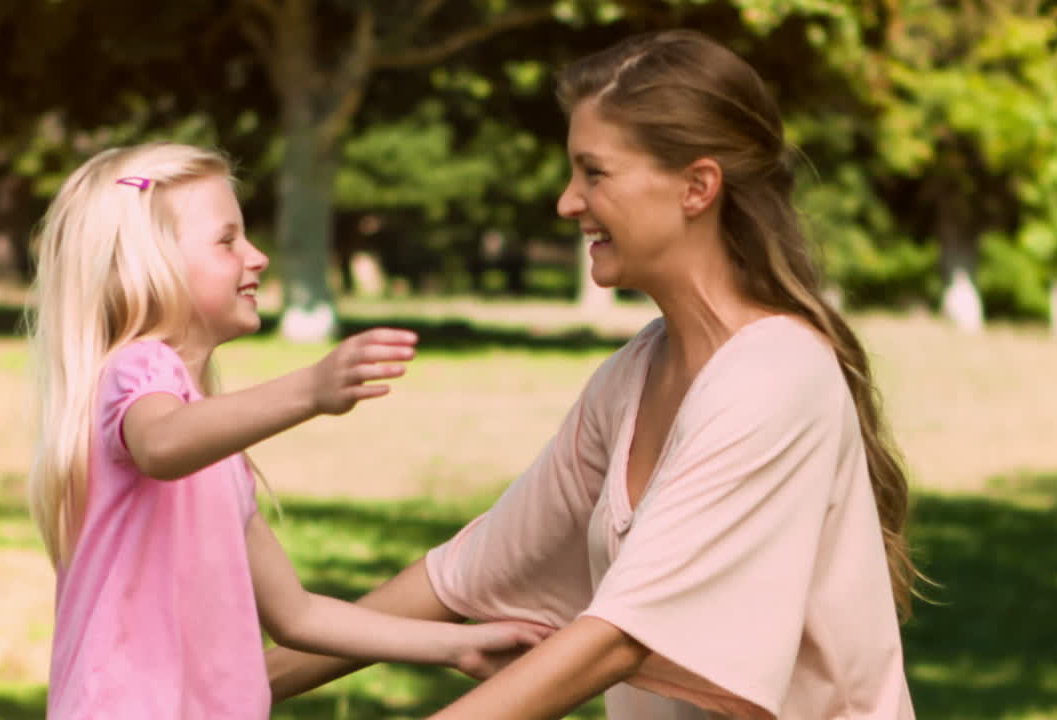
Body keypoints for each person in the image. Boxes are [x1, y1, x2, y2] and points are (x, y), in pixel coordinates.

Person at [266, 29, 918, 719]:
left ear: (697, 186)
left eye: (594, 172)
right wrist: (228, 687)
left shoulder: (776, 378)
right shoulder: (636, 374)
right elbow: (466, 574)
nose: (567, 202)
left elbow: (620, 640)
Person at [26, 142, 551, 718]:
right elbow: (160, 444)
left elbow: (297, 615)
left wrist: (458, 645)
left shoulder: (218, 451)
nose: (257, 257)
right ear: (148, 267)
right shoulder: (135, 370)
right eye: (226, 241)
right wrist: (311, 390)